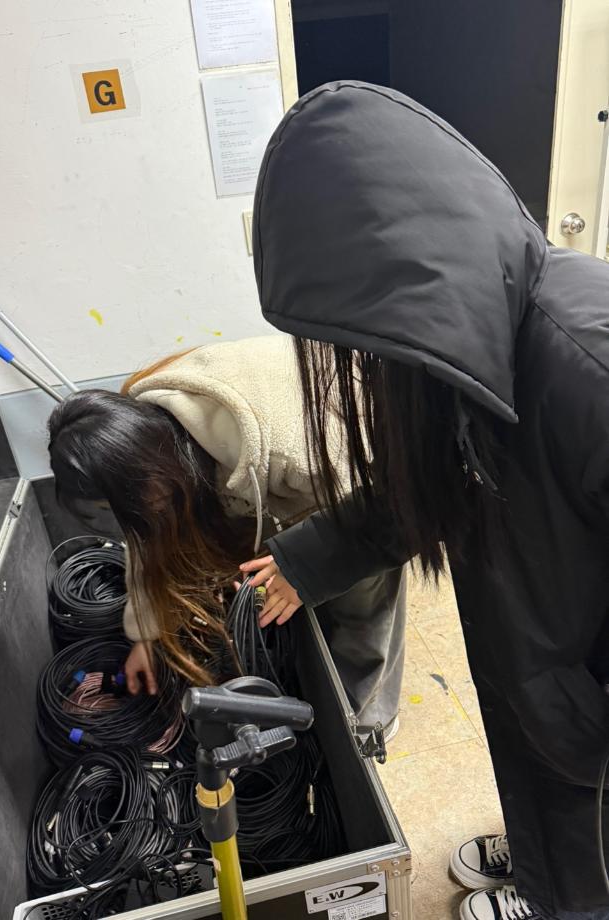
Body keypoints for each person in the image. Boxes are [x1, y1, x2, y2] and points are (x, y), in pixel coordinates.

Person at [240, 81, 609, 920]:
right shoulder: (477, 349)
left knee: (587, 836)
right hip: (547, 669)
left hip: (583, 689)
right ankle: (540, 869)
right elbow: (430, 490)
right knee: (545, 785)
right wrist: (306, 558)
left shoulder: (586, 368)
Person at [47, 335, 406, 736]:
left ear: (153, 479)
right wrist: (146, 638)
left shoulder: (294, 452)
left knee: (359, 603)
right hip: (293, 462)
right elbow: (145, 540)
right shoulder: (138, 437)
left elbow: (390, 517)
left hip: (366, 478)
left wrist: (306, 567)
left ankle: (368, 722)